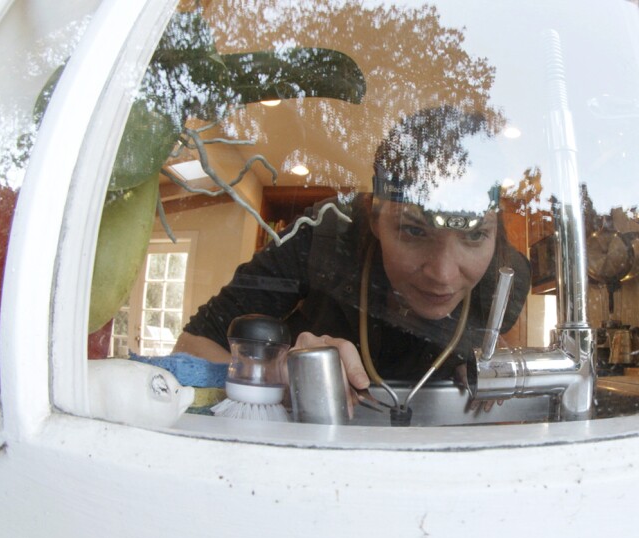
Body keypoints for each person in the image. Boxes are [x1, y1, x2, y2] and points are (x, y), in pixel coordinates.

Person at [173, 105, 531, 406]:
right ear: (374, 216)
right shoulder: (322, 235)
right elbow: (191, 346)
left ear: (495, 231)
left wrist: (490, 360)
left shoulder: (506, 281)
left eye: (473, 235)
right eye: (414, 230)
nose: (443, 275)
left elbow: (489, 350)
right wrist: (276, 375)